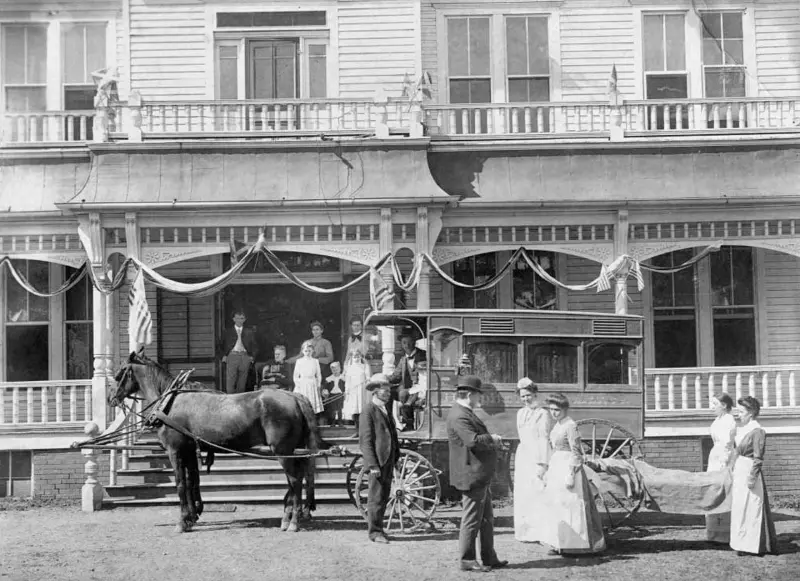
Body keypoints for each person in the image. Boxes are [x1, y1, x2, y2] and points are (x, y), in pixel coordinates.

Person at [446, 375, 508, 573]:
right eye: (478, 394)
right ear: (470, 394)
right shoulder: (459, 415)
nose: (480, 398)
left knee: (486, 518)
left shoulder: (465, 412)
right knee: (472, 519)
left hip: (479, 474)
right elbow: (472, 441)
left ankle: (489, 557)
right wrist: (494, 438)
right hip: (471, 475)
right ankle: (467, 559)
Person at [544, 392, 605, 555]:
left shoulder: (570, 425)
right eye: (551, 409)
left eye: (557, 409)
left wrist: (571, 472)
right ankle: (560, 543)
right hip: (557, 465)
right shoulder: (557, 425)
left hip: (568, 467)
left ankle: (575, 544)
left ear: (565, 409)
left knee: (571, 504)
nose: (553, 413)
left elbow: (577, 452)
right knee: (558, 505)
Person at [729, 395, 778, 556]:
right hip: (740, 469)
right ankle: (741, 543)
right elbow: (737, 451)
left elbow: (758, 458)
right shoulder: (743, 429)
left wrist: (752, 477)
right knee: (740, 508)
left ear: (751, 413)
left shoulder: (757, 431)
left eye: (742, 411)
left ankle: (753, 545)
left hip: (750, 471)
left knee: (752, 508)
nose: (738, 414)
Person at [359, 373, 400, 544]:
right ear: (375, 391)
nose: (388, 393)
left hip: (388, 458)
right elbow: (365, 440)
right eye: (384, 390)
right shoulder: (369, 410)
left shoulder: (385, 408)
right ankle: (374, 532)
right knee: (375, 497)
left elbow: (391, 435)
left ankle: (380, 529)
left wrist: (396, 456)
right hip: (378, 460)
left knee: (383, 496)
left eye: (389, 390)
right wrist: (372, 464)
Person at [513, 377, 552, 544]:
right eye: (522, 396)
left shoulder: (543, 414)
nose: (526, 399)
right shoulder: (520, 413)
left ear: (535, 394)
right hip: (524, 455)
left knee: (538, 492)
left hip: (537, 455)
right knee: (524, 493)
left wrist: (542, 464)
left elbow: (543, 438)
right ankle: (525, 532)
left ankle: (540, 532)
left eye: (528, 395)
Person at [705, 392, 737, 543]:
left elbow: (727, 444)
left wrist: (724, 464)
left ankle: (724, 534)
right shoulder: (718, 419)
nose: (712, 407)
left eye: (715, 404)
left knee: (722, 492)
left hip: (724, 458)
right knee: (713, 492)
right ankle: (714, 532)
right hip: (715, 456)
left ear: (724, 405)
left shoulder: (729, 420)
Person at [389, 330, 426, 429]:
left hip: (421, 387)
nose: (407, 345)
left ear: (414, 342)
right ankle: (389, 421)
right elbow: (396, 376)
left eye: (409, 342)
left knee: (403, 394)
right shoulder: (403, 359)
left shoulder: (423, 355)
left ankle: (408, 424)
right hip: (409, 389)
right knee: (388, 392)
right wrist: (384, 379)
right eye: (404, 343)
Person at [218, 310, 258, 394]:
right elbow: (220, 345)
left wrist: (252, 357)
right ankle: (230, 399)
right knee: (230, 380)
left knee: (242, 381)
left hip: (244, 356)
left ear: (244, 319)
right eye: (237, 318)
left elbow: (254, 346)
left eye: (242, 318)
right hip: (232, 355)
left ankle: (239, 400)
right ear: (233, 319)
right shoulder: (227, 331)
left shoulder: (249, 332)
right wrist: (223, 356)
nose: (240, 320)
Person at [293, 340, 324, 416]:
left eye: (309, 351)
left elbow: (318, 374)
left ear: (312, 351)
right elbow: (295, 375)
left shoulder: (315, 361)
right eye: (306, 351)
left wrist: (318, 384)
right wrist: (298, 385)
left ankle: (312, 418)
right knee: (302, 403)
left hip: (312, 383)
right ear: (303, 351)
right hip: (302, 383)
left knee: (312, 404)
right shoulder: (299, 361)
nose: (307, 352)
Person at [343, 350, 370, 437]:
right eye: (354, 356)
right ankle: (357, 430)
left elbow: (368, 378)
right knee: (355, 411)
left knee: (362, 410)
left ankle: (364, 431)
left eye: (358, 356)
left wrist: (365, 383)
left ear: (361, 357)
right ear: (351, 357)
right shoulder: (349, 367)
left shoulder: (364, 366)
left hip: (362, 390)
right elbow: (347, 381)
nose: (356, 358)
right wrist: (347, 391)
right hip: (353, 391)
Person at [322, 361, 346, 427]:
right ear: (331, 370)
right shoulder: (329, 378)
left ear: (340, 369)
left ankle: (340, 422)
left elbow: (346, 386)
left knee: (340, 409)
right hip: (332, 394)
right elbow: (325, 387)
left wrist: (345, 392)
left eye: (337, 369)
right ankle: (332, 422)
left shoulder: (343, 378)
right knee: (332, 410)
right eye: (333, 370)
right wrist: (325, 392)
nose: (335, 371)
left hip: (340, 395)